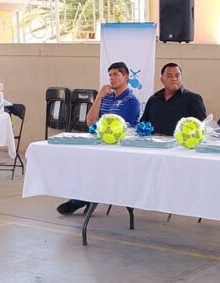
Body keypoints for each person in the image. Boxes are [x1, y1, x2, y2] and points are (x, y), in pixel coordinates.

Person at [57, 61, 141, 215]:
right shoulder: (106, 97)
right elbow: (90, 122)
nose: (112, 78)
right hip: (99, 142)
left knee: (94, 163)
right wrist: (98, 98)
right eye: (110, 75)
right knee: (79, 161)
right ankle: (83, 198)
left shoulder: (131, 101)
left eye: (116, 74)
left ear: (126, 77)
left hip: (118, 146)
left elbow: (118, 128)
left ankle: (81, 200)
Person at [139, 63, 207, 136]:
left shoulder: (193, 99)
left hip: (181, 145)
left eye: (177, 75)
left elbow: (202, 127)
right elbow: (143, 123)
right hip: (154, 145)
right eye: (169, 76)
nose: (174, 79)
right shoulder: (153, 99)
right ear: (162, 79)